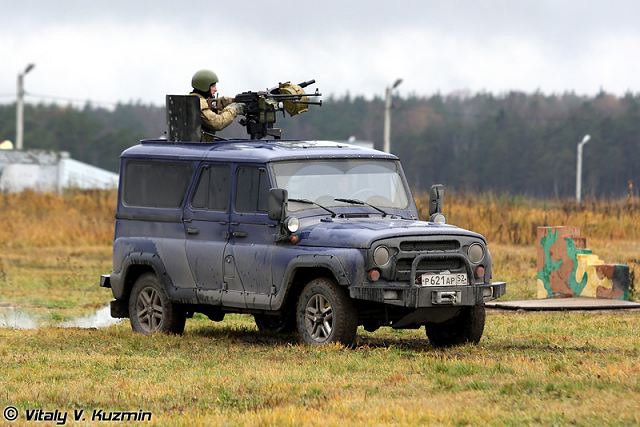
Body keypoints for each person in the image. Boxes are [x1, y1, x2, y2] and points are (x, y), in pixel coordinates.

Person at [189, 69, 245, 141]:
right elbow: (217, 123)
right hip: (199, 148)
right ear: (204, 86)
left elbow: (215, 105)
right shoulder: (199, 103)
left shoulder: (194, 99)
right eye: (213, 86)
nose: (216, 90)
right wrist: (234, 109)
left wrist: (232, 101)